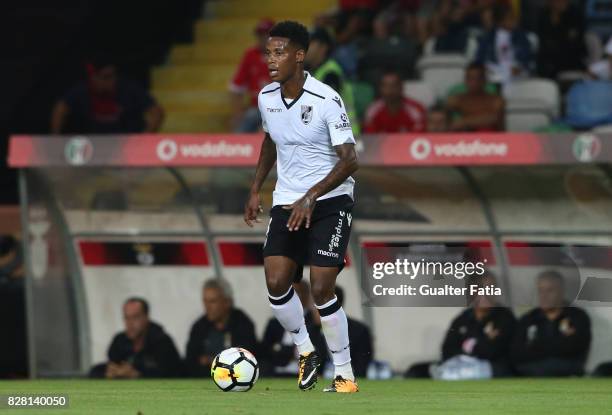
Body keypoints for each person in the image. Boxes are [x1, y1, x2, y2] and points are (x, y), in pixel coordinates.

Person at [244, 21, 359, 393]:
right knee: (277, 283)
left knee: (321, 288)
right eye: (268, 52)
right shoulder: (266, 98)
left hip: (330, 199)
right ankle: (306, 350)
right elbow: (269, 141)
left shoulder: (326, 99)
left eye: (278, 52)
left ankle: (344, 374)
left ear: (298, 55)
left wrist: (311, 196)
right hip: (287, 200)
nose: (270, 60)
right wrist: (255, 189)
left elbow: (349, 159)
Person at [511, 270, 592, 377]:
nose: (544, 296)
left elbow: (575, 348)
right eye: (540, 291)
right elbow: (516, 352)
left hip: (567, 372)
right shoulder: (528, 319)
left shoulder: (577, 316)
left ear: (561, 291)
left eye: (550, 290)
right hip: (531, 372)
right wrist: (553, 346)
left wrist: (536, 347)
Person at [51, 62, 164, 134]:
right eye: (105, 77)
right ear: (93, 78)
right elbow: (60, 108)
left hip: (129, 143)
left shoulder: (128, 88)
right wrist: (56, 138)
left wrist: (144, 138)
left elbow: (157, 112)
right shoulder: (82, 90)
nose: (111, 81)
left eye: (113, 76)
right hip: (97, 145)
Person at [440, 272, 516, 377]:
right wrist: (479, 345)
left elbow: (493, 351)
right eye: (480, 289)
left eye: (490, 288)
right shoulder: (462, 319)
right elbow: (447, 350)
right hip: (462, 365)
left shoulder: (504, 317)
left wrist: (468, 350)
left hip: (494, 369)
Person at [89, 298, 181, 378]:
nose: (130, 323)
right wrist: (110, 373)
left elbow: (171, 375)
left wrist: (138, 375)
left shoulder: (162, 342)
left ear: (146, 317)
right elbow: (111, 365)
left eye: (135, 317)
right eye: (126, 318)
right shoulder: (119, 340)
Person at [184, 278, 257, 377]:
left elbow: (244, 358)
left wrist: (211, 361)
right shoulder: (199, 327)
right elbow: (191, 360)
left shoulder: (242, 324)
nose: (207, 306)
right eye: (205, 301)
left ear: (227, 302)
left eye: (213, 301)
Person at [259, 280, 327, 377]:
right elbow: (264, 351)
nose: (292, 298)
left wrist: (281, 350)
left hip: (302, 374)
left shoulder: (315, 321)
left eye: (297, 293)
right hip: (274, 373)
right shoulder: (274, 322)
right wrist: (290, 351)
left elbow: (318, 352)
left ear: (307, 295)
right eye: (288, 294)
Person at [306, 28, 360, 135]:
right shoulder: (315, 72)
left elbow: (327, 111)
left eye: (310, 43)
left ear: (323, 47)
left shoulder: (331, 73)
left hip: (344, 138)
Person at [229, 19, 275, 132]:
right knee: (242, 126)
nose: (263, 39)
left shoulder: (283, 55)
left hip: (278, 109)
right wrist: (238, 114)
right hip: (256, 108)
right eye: (260, 35)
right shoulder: (250, 55)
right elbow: (235, 88)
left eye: (267, 35)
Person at [475, 4, 534, 89]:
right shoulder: (488, 38)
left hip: (514, 70)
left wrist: (520, 67)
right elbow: (480, 58)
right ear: (500, 21)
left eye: (514, 17)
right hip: (494, 71)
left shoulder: (521, 37)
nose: (514, 21)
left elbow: (528, 56)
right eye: (510, 18)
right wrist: (486, 68)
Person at [446, 62, 504, 131]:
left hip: (491, 139)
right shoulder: (457, 100)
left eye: (477, 78)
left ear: (484, 80)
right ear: (465, 80)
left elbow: (495, 119)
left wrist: (464, 122)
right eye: (469, 78)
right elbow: (445, 121)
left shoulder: (495, 100)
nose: (473, 82)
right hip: (466, 138)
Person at [536, 0, 586, 79]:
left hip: (571, 60)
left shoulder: (575, 14)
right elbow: (543, 42)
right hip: (548, 61)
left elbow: (576, 44)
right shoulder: (543, 14)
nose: (559, 3)